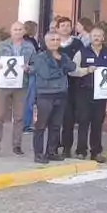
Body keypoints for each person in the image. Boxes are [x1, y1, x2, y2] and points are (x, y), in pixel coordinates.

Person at [0, 21, 37, 158]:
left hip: (21, 85)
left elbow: (35, 65)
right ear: (11, 31)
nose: (17, 32)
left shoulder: (29, 47)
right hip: (3, 85)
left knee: (19, 117)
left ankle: (17, 145)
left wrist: (29, 68)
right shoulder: (2, 45)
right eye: (15, 29)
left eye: (20, 29)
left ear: (24, 31)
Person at [32, 32, 73, 163]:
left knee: (56, 125)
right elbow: (46, 74)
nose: (55, 42)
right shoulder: (40, 57)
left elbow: (73, 66)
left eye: (57, 39)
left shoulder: (63, 56)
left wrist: (63, 66)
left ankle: (51, 151)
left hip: (61, 94)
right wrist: (63, 70)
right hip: (45, 94)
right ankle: (38, 153)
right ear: (46, 42)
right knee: (41, 125)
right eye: (52, 39)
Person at [75, 27, 107, 162]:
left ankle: (96, 152)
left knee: (98, 123)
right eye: (94, 36)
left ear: (103, 38)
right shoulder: (82, 52)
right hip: (85, 91)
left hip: (101, 94)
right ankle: (81, 151)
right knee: (84, 121)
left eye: (99, 36)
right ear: (90, 38)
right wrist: (86, 70)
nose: (96, 38)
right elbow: (72, 70)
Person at [54, 17, 85, 159]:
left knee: (69, 117)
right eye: (63, 25)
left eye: (68, 25)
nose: (66, 28)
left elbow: (82, 61)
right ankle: (53, 146)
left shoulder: (77, 43)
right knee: (54, 117)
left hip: (73, 84)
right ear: (57, 28)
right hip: (55, 83)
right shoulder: (52, 42)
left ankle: (67, 147)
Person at [21, 20, 41, 132]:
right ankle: (26, 124)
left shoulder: (23, 40)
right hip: (30, 72)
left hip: (23, 72)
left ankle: (23, 123)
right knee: (29, 98)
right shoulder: (31, 42)